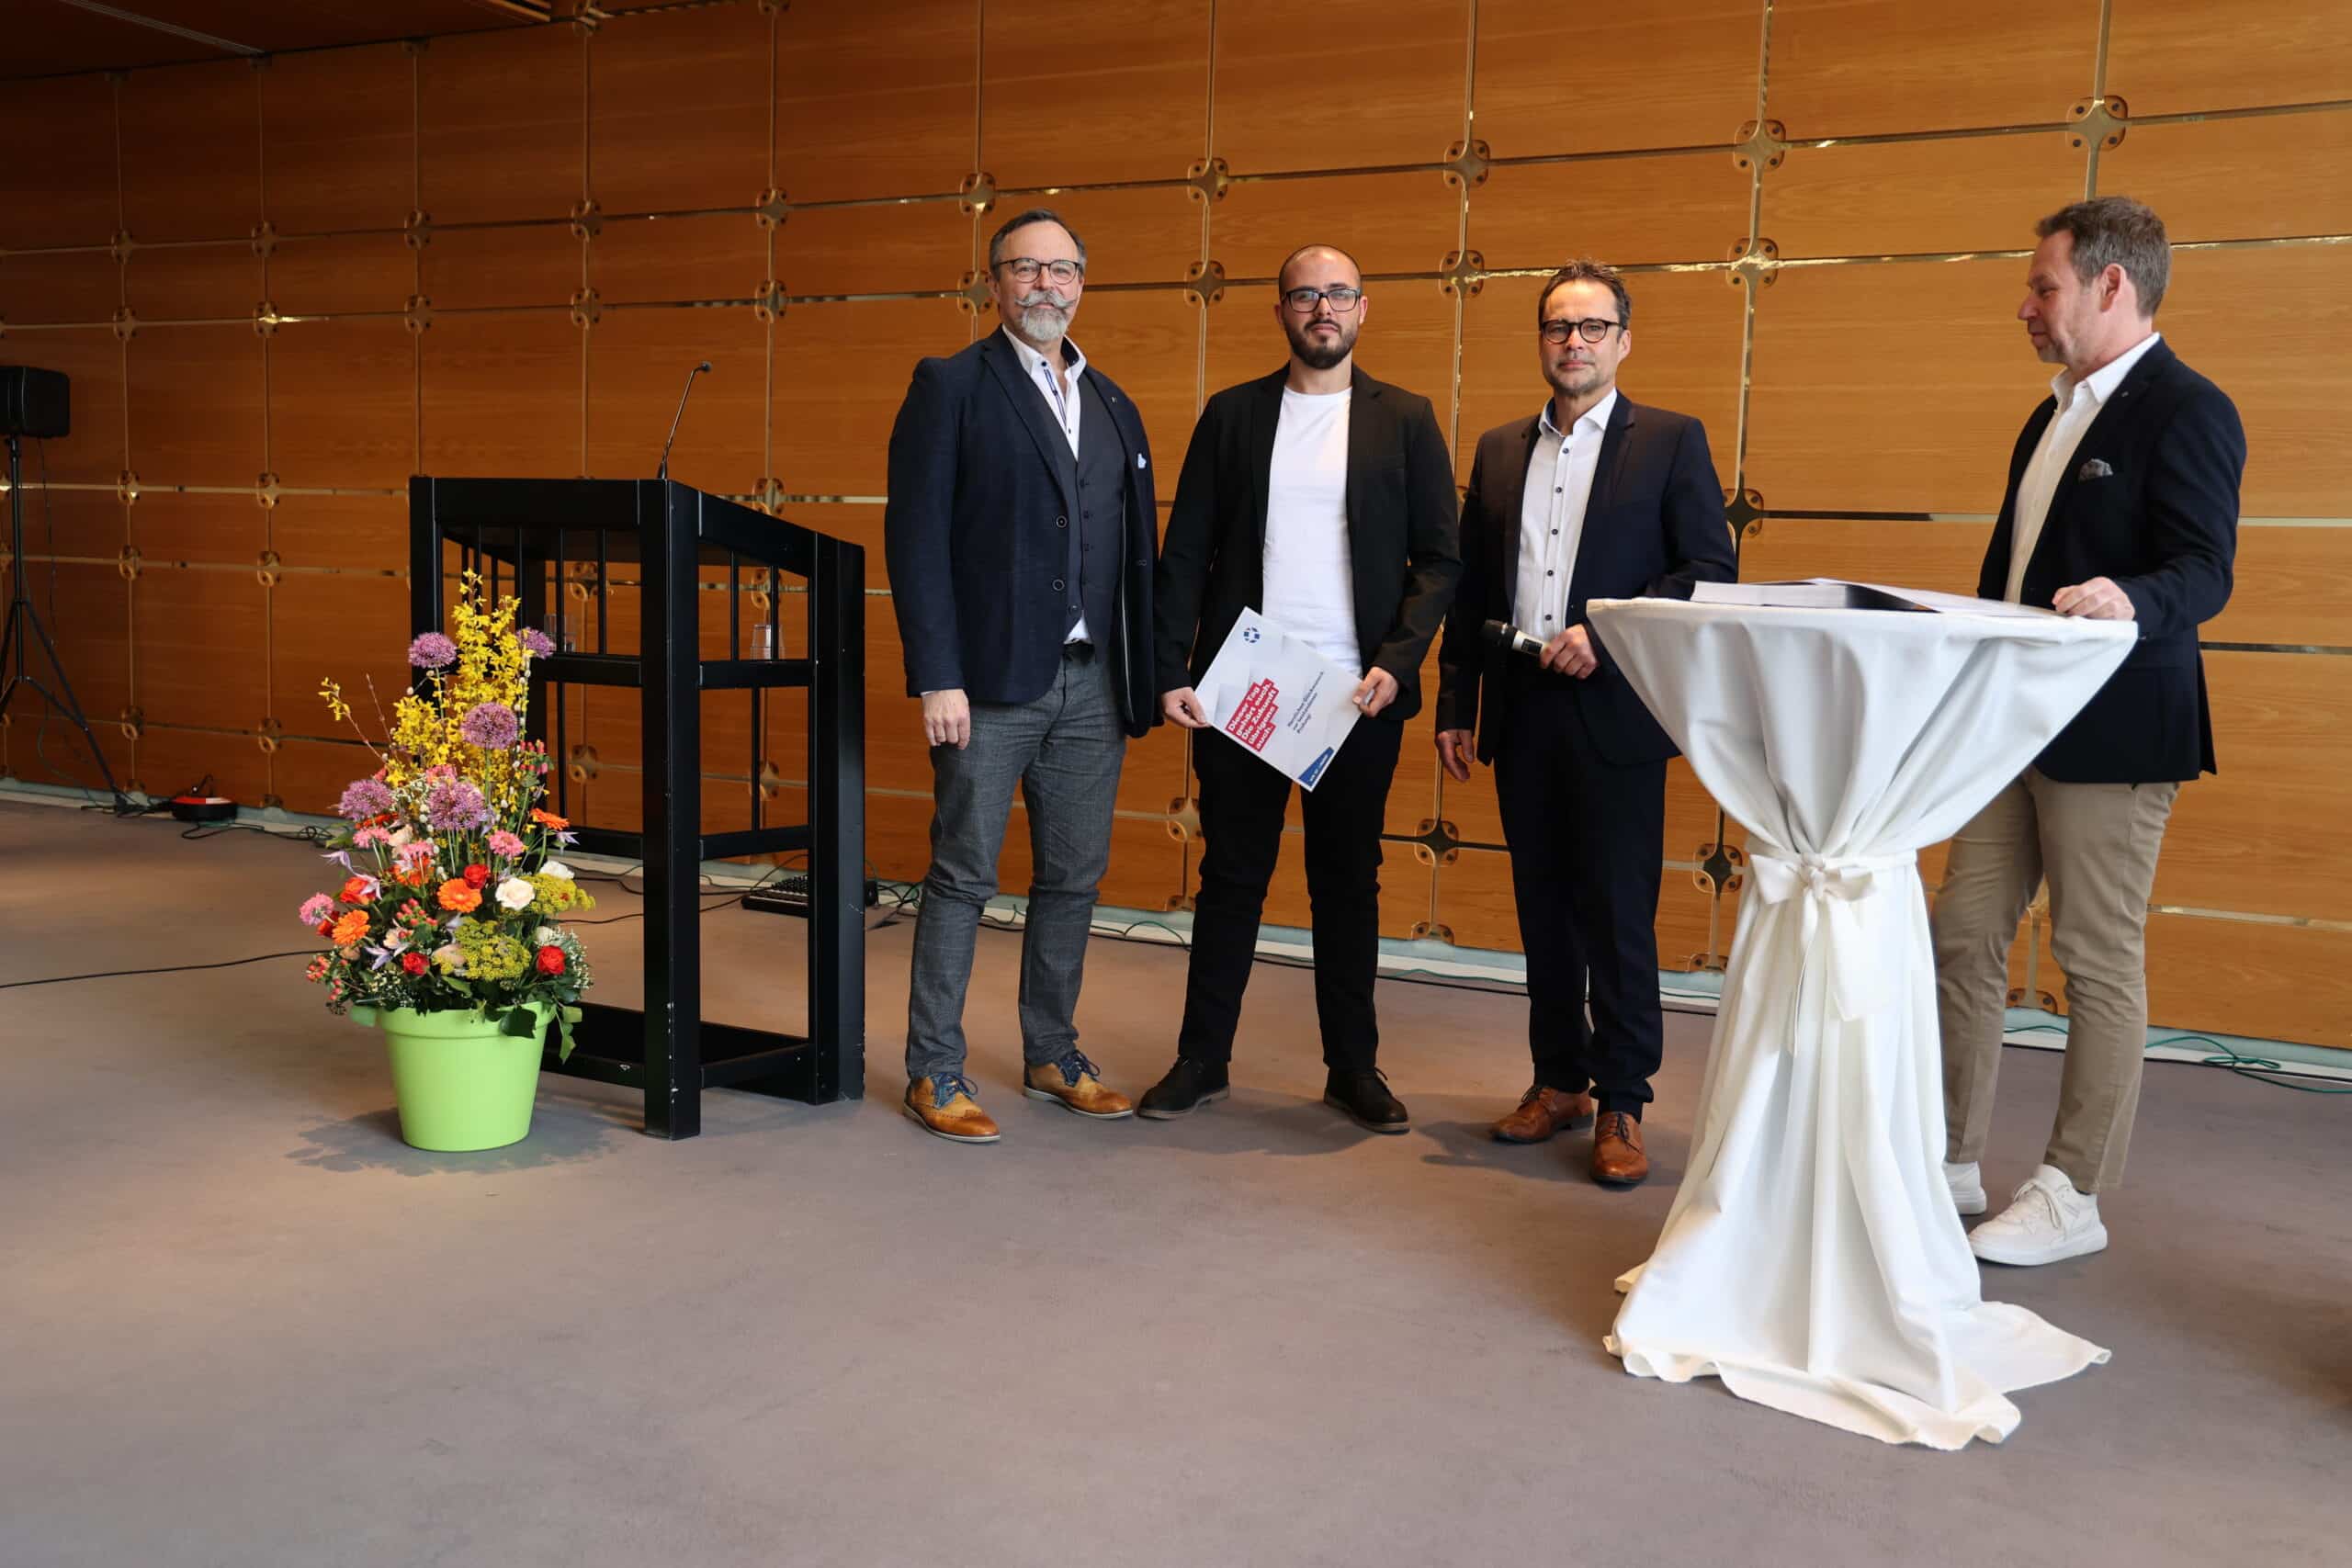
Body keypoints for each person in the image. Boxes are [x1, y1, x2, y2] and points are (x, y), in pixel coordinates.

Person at [1935, 197, 2245, 1259]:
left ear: (2112, 285)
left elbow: (2204, 571)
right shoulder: (2050, 413)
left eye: (2043, 286)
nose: (2025, 306)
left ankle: (2074, 1193)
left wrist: (2129, 597)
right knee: (1961, 931)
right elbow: (2010, 573)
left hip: (2116, 730)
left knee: (2092, 956)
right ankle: (1946, 1157)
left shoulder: (2187, 409)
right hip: (2007, 724)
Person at [1141, 243, 1461, 1133]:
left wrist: (1397, 662)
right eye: (1306, 294)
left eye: (1339, 294)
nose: (1323, 308)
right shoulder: (1233, 415)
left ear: (1363, 308)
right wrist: (1170, 670)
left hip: (1356, 696)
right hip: (1247, 686)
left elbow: (1440, 558)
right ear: (1281, 309)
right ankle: (1201, 1059)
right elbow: (1185, 552)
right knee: (1230, 877)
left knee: (1347, 884)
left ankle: (1352, 1068)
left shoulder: (1406, 418)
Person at [1433, 258, 1735, 1187]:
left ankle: (1623, 1099)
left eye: (1593, 326)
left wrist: (1605, 632)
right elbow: (1472, 591)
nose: (1575, 341)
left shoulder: (1671, 440)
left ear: (1623, 341)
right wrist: (1456, 704)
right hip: (1521, 710)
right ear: (1541, 341)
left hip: (1616, 712)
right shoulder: (1497, 450)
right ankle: (1559, 1079)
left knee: (1617, 914)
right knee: (1544, 910)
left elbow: (1709, 570)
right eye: (1559, 326)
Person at [881, 207, 1160, 1144]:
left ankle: (1052, 1052)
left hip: (1094, 685)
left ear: (1082, 283)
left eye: (1062, 269)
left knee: (1073, 877)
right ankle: (934, 1070)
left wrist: (1150, 671)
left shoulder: (1114, 402)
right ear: (993, 282)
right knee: (963, 876)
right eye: (1026, 268)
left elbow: (1137, 557)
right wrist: (937, 674)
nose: (1046, 285)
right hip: (988, 685)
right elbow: (916, 538)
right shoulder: (952, 384)